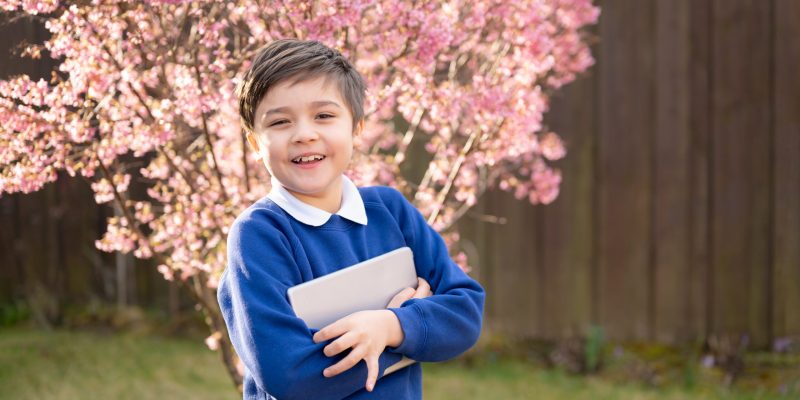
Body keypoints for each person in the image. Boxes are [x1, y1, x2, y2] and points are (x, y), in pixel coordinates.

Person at [217, 39, 485, 400]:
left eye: (324, 116)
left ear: (356, 128)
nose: (304, 134)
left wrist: (391, 325)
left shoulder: (390, 211)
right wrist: (407, 331)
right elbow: (291, 375)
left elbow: (464, 312)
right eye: (280, 122)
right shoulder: (259, 236)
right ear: (254, 142)